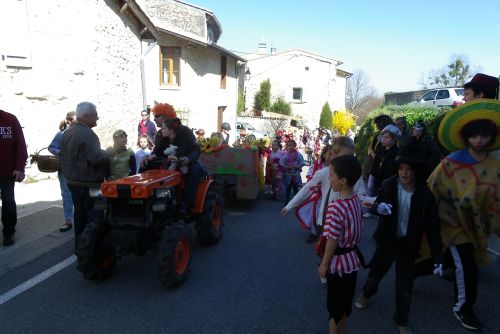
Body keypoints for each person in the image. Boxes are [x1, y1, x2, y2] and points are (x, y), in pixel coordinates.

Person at [422, 100, 500, 331]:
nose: (479, 140)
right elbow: (431, 188)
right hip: (452, 224)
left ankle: (425, 269)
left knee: (466, 263)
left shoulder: (494, 165)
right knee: (467, 266)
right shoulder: (451, 161)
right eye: (474, 136)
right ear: (466, 137)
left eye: (484, 135)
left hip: (478, 226)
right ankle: (463, 308)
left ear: (491, 137)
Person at [354, 145, 444, 334]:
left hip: (409, 245)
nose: (404, 173)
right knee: (375, 274)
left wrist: (438, 257)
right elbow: (378, 202)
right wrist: (379, 207)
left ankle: (401, 319)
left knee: (404, 285)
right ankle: (366, 294)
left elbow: (433, 228)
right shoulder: (389, 184)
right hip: (387, 241)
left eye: (409, 169)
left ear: (417, 171)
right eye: (401, 168)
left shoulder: (425, 195)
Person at [282, 137, 366, 243]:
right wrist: (290, 205)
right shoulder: (324, 173)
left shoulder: (355, 175)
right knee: (326, 250)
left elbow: (361, 196)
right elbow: (307, 189)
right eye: (345, 156)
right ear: (333, 155)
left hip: (347, 224)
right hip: (327, 221)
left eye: (352, 156)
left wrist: (373, 202)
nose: (349, 160)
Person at [317, 155, 364, 334]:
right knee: (345, 305)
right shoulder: (356, 202)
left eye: (331, 176)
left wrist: (324, 263)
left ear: (343, 181)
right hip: (352, 261)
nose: (329, 179)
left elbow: (332, 239)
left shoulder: (336, 207)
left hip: (338, 265)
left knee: (334, 310)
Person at [60, 102, 111, 249]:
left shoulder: (69, 131)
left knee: (80, 215)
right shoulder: (87, 134)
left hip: (73, 181)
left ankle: (79, 246)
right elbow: (96, 158)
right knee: (94, 217)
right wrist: (109, 152)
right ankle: (93, 250)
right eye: (95, 115)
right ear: (87, 116)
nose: (97, 117)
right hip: (88, 184)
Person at [160, 116, 206, 216]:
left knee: (195, 171)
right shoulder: (161, 135)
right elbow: (157, 150)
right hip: (167, 163)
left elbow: (195, 149)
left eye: (157, 116)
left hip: (184, 162)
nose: (154, 119)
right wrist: (151, 156)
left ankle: (186, 203)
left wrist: (188, 159)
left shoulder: (186, 133)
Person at [0, 109, 28, 246]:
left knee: (8, 203)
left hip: (6, 173)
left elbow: (20, 144)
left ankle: (8, 233)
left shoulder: (10, 119)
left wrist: (19, 167)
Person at [48, 111, 77, 232]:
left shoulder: (82, 134)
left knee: (80, 195)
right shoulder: (61, 134)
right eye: (75, 120)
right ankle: (68, 220)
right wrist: (60, 152)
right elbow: (51, 147)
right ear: (68, 121)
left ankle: (81, 220)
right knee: (67, 195)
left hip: (79, 170)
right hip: (65, 169)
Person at [141, 103, 176, 170]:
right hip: (161, 164)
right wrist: (147, 157)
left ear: (166, 117)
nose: (154, 119)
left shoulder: (177, 132)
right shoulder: (159, 133)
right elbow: (156, 151)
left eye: (157, 116)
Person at [279, 140, 305, 205]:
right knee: (287, 189)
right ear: (287, 146)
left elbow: (302, 163)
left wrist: (296, 166)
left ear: (295, 146)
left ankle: (295, 202)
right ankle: (287, 202)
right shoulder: (285, 155)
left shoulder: (299, 155)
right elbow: (281, 163)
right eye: (289, 145)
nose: (291, 147)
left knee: (295, 189)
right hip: (287, 175)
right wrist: (286, 167)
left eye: (292, 145)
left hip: (296, 175)